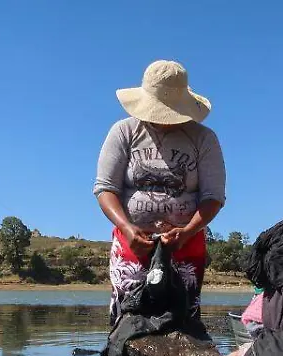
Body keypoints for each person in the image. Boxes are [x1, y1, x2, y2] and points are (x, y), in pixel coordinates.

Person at [94, 60, 226, 326]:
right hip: (132, 243)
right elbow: (105, 188)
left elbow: (214, 197)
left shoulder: (203, 139)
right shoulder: (125, 132)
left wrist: (186, 232)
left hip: (185, 244)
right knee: (128, 318)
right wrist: (128, 229)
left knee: (182, 320)